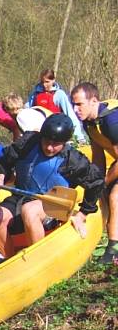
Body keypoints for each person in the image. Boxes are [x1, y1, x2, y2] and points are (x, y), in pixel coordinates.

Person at [0, 114, 104, 257]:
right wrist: (0, 175)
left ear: (65, 142)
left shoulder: (73, 160)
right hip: (21, 198)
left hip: (53, 206)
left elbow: (96, 182)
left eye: (56, 144)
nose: (49, 147)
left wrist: (82, 214)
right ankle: (9, 259)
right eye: (46, 141)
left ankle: (38, 258)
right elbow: (6, 159)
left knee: (29, 211)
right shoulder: (28, 143)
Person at [71, 81, 118, 263]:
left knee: (115, 196)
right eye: (73, 104)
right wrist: (96, 182)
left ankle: (113, 249)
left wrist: (104, 182)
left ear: (94, 101)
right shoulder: (89, 124)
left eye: (79, 104)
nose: (75, 109)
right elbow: (98, 157)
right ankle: (112, 245)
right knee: (104, 195)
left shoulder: (112, 121)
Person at [26, 68, 86, 144]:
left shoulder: (59, 94)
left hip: (55, 132)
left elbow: (71, 115)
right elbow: (27, 111)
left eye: (47, 82)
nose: (44, 85)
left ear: (53, 80)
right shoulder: (35, 94)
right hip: (38, 131)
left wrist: (79, 137)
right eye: (42, 82)